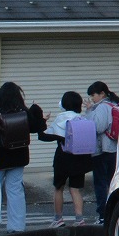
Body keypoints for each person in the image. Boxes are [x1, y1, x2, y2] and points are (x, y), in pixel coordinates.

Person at [0, 82, 48, 232]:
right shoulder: (24, 112)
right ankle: (17, 227)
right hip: (19, 158)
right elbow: (36, 127)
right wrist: (38, 113)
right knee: (15, 191)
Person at [39, 91, 93, 227]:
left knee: (58, 188)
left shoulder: (60, 119)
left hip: (62, 158)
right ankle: (79, 219)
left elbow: (44, 136)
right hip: (79, 159)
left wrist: (43, 121)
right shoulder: (82, 119)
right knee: (75, 189)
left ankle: (58, 219)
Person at [85, 81, 119, 225]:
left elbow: (98, 127)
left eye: (93, 95)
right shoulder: (115, 104)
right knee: (112, 183)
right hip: (114, 149)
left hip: (102, 151)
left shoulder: (102, 107)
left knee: (101, 184)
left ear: (102, 94)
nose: (91, 98)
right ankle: (113, 214)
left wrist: (89, 112)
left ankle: (102, 216)